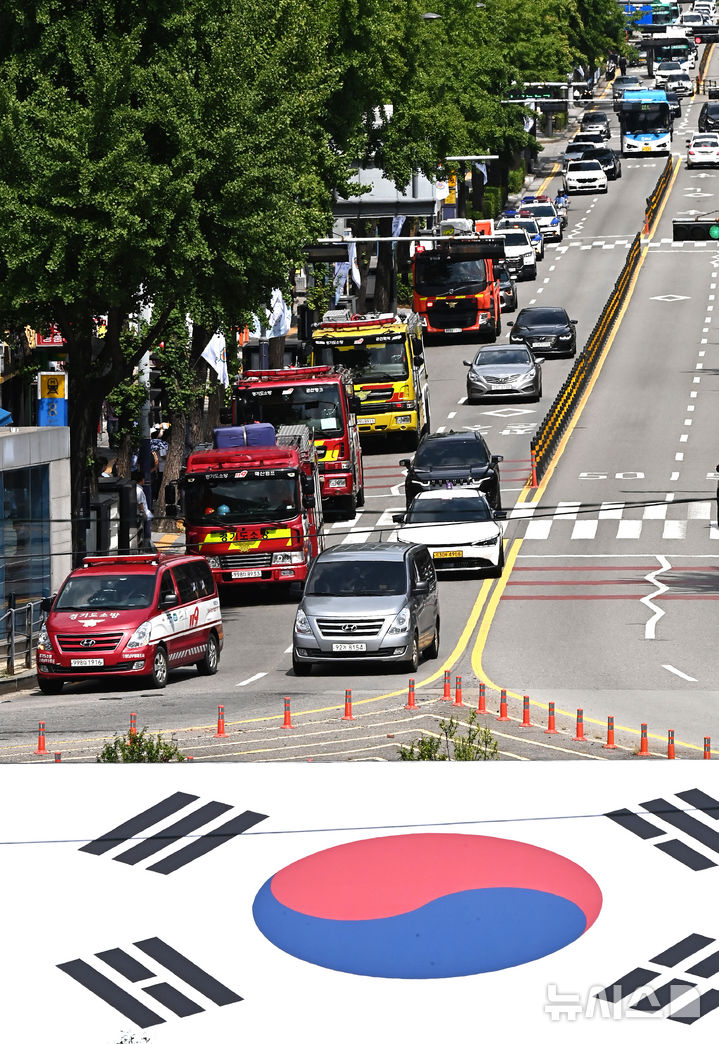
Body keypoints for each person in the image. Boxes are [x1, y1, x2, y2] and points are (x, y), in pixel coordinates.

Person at [133, 470, 154, 549]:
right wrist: (143, 513)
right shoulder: (139, 491)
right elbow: (140, 504)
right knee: (140, 532)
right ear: (142, 480)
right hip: (140, 514)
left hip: (136, 514)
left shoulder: (134, 489)